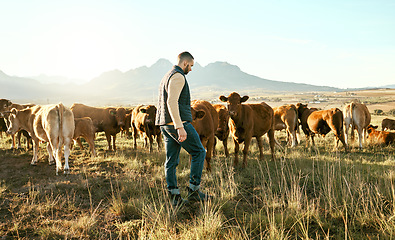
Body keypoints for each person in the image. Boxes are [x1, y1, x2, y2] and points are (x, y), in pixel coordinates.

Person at [156, 51, 209, 207]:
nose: (191, 69)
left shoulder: (167, 76)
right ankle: (194, 191)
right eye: (191, 66)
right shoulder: (178, 76)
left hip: (165, 124)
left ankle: (174, 196)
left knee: (171, 161)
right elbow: (172, 102)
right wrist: (180, 127)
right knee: (199, 151)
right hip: (177, 124)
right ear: (185, 63)